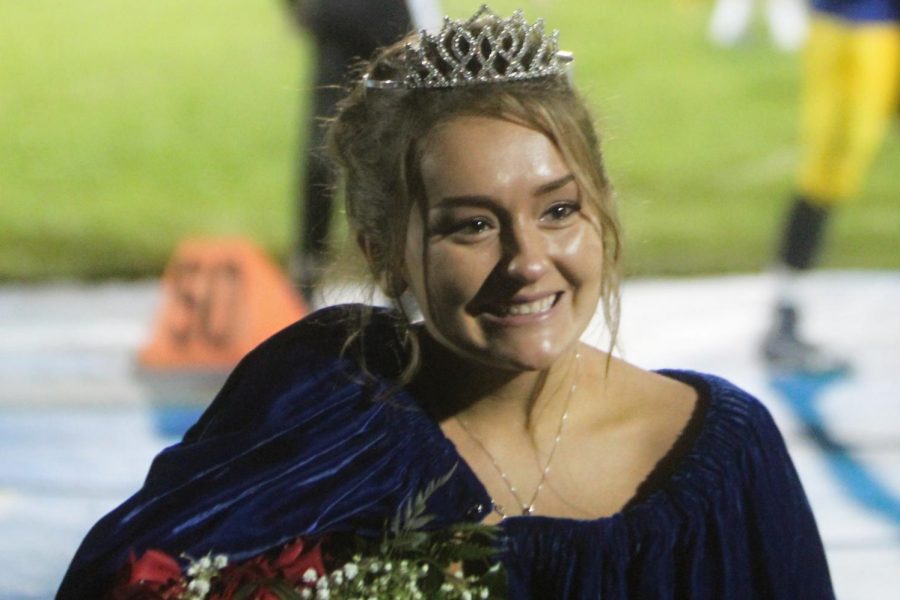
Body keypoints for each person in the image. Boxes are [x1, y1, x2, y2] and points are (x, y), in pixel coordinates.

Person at [58, 8, 835, 598]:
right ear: (383, 250)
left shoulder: (724, 455)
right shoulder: (321, 409)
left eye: (559, 210)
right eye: (471, 226)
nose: (528, 262)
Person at [762, 0, 900, 373]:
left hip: (869, 28)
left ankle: (785, 317)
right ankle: (784, 318)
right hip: (857, 27)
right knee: (827, 175)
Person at [286, 0, 441, 300]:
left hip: (377, 22)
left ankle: (399, 266)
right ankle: (311, 265)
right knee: (328, 147)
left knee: (394, 146)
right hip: (351, 20)